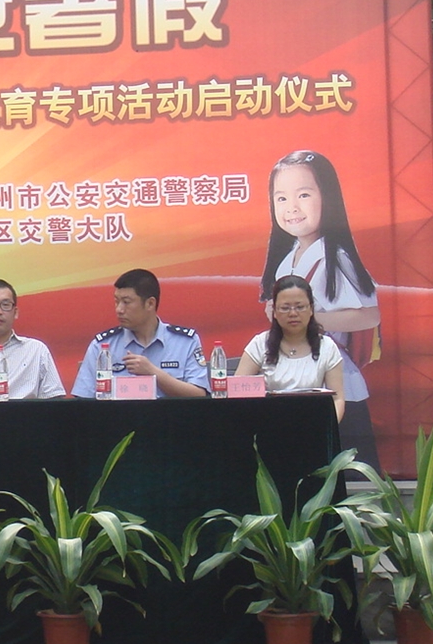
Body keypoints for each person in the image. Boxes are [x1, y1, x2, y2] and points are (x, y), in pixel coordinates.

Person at [260, 150, 380, 469]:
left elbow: (370, 314)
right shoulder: (288, 258)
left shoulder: (334, 256)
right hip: (296, 383)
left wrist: (307, 319)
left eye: (303, 194)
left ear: (327, 196)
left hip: (339, 387)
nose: (292, 207)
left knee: (348, 478)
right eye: (281, 198)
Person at [70, 269, 210, 399]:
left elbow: (199, 395)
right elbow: (83, 401)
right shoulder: (102, 346)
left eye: (126, 302)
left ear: (150, 304)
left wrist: (154, 373)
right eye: (116, 301)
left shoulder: (185, 342)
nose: (119, 309)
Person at [236, 275, 345, 421]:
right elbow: (237, 394)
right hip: (267, 426)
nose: (293, 314)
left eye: (300, 307)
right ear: (274, 312)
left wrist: (326, 427)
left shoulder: (327, 347)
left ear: (311, 309)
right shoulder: (260, 344)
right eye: (285, 308)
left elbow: (337, 399)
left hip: (314, 427)